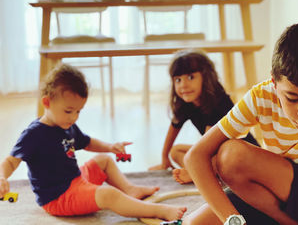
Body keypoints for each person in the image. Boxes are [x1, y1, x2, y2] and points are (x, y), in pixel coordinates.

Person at [182, 23, 298, 225]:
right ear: (274, 82)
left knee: (233, 155)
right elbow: (195, 156)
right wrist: (232, 220)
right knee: (193, 223)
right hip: (271, 194)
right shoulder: (261, 95)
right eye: (292, 98)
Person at [0, 63, 186, 221]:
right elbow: (10, 161)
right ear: (47, 102)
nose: (74, 117)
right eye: (69, 111)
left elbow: (87, 142)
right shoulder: (34, 134)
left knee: (103, 160)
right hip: (58, 198)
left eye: (78, 111)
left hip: (75, 180)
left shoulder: (66, 124)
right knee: (108, 195)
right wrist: (2, 177)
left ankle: (129, 190)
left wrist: (110, 147)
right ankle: (158, 211)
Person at [148, 49, 259, 184]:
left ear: (206, 77)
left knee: (213, 155)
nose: (183, 85)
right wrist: (164, 159)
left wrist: (195, 166)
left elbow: (209, 146)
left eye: (190, 77)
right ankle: (201, 171)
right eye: (178, 80)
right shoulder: (187, 102)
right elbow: (174, 128)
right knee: (175, 151)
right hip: (215, 153)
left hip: (242, 154)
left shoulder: (218, 101)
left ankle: (198, 173)